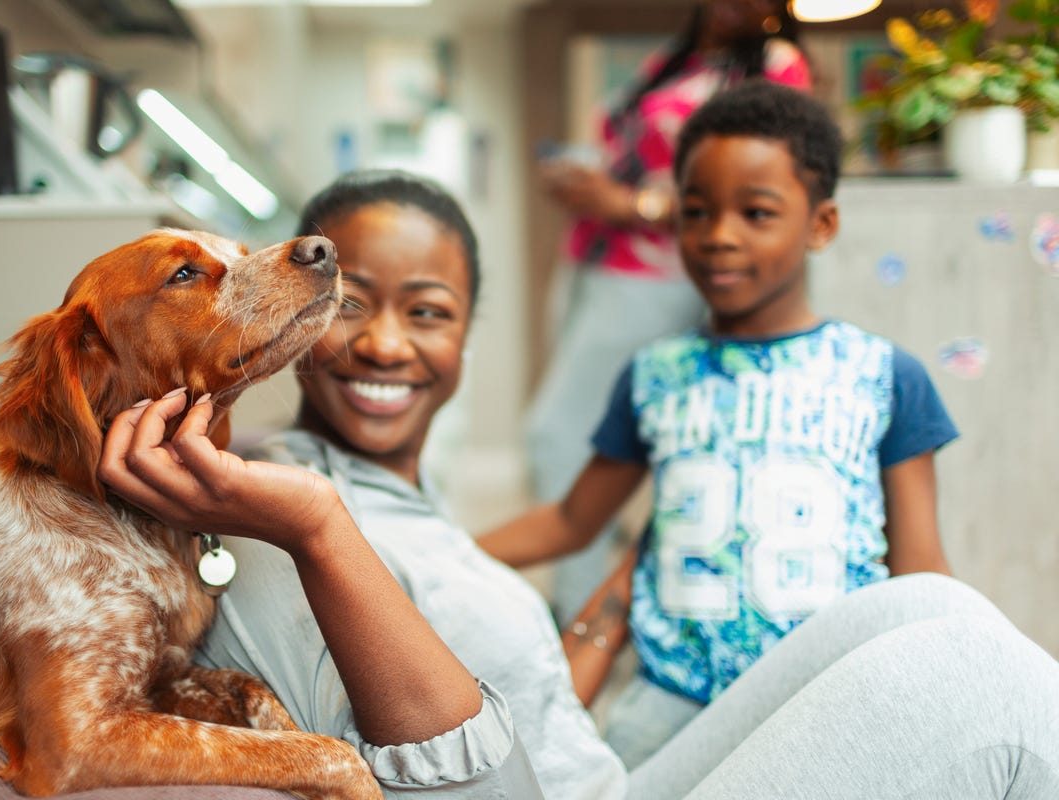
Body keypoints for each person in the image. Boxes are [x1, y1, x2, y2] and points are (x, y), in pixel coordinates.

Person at [97, 169, 1059, 799]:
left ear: (466, 333)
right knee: (983, 682)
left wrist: (616, 598)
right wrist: (307, 524)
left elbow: (533, 700)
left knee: (928, 603)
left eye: (427, 311)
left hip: (615, 781)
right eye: (346, 306)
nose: (385, 343)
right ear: (292, 313)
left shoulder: (400, 509)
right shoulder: (267, 499)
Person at [481, 80, 961, 763]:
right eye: (697, 212)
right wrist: (431, 554)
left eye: (756, 213)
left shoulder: (885, 376)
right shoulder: (655, 374)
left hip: (832, 695)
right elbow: (572, 522)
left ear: (821, 225)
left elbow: (921, 569)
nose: (718, 237)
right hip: (669, 705)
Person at [528, 0, 815, 625]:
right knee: (588, 442)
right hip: (592, 261)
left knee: (557, 438)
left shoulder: (775, 66)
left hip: (657, 273)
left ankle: (588, 620)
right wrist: (586, 183)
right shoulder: (673, 62)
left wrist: (633, 205)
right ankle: (603, 604)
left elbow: (764, 184)